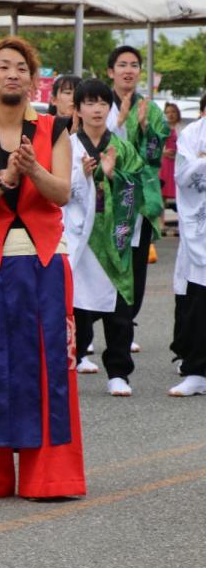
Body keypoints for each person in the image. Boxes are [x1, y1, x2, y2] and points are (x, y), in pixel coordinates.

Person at [0, 35, 85, 503]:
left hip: (46, 261)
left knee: (51, 365)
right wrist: (6, 177)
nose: (13, 74)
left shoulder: (55, 129)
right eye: (3, 67)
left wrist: (32, 171)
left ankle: (49, 477)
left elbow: (61, 192)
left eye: (22, 68)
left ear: (33, 81)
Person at [64, 78, 144, 397]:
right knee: (76, 303)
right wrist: (82, 175)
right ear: (78, 109)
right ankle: (73, 359)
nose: (96, 109)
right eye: (89, 103)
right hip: (79, 237)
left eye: (102, 103)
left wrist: (113, 175)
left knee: (119, 307)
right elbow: (56, 189)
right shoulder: (67, 147)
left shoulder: (121, 147)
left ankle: (119, 372)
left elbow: (137, 186)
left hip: (113, 237)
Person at [106, 45, 169, 348]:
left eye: (134, 65)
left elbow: (154, 156)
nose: (128, 70)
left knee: (135, 265)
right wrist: (118, 122)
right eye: (122, 64)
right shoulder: (100, 104)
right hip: (106, 199)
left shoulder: (151, 109)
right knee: (103, 262)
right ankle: (94, 326)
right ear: (111, 71)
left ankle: (125, 323)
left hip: (137, 200)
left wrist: (145, 128)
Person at [168, 94, 206, 397]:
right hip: (201, 230)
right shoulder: (193, 133)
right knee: (199, 303)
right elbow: (183, 174)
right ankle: (197, 371)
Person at [161, 102, 181, 236]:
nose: (170, 114)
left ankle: (181, 224)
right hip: (165, 163)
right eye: (167, 112)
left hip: (178, 164)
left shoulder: (182, 128)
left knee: (180, 194)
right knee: (161, 196)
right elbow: (156, 144)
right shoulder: (162, 128)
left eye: (173, 112)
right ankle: (160, 224)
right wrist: (163, 152)